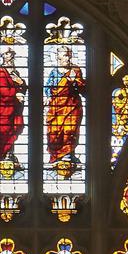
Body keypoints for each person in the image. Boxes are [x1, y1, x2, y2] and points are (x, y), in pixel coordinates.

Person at [45, 45, 84, 175]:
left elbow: (84, 88)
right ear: (57, 58)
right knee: (55, 132)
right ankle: (57, 156)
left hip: (72, 105)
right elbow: (48, 88)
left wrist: (74, 81)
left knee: (70, 130)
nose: (66, 58)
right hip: (56, 106)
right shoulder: (54, 72)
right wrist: (48, 96)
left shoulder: (75, 70)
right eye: (63, 56)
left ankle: (68, 155)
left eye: (68, 55)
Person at [0, 46, 26, 170]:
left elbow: (21, 86)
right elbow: (1, 90)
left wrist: (22, 84)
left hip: (14, 108)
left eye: (12, 54)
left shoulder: (14, 72)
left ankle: (9, 153)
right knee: (3, 131)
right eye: (8, 54)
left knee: (13, 129)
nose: (11, 56)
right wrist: (16, 94)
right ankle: (2, 155)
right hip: (2, 109)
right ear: (3, 56)